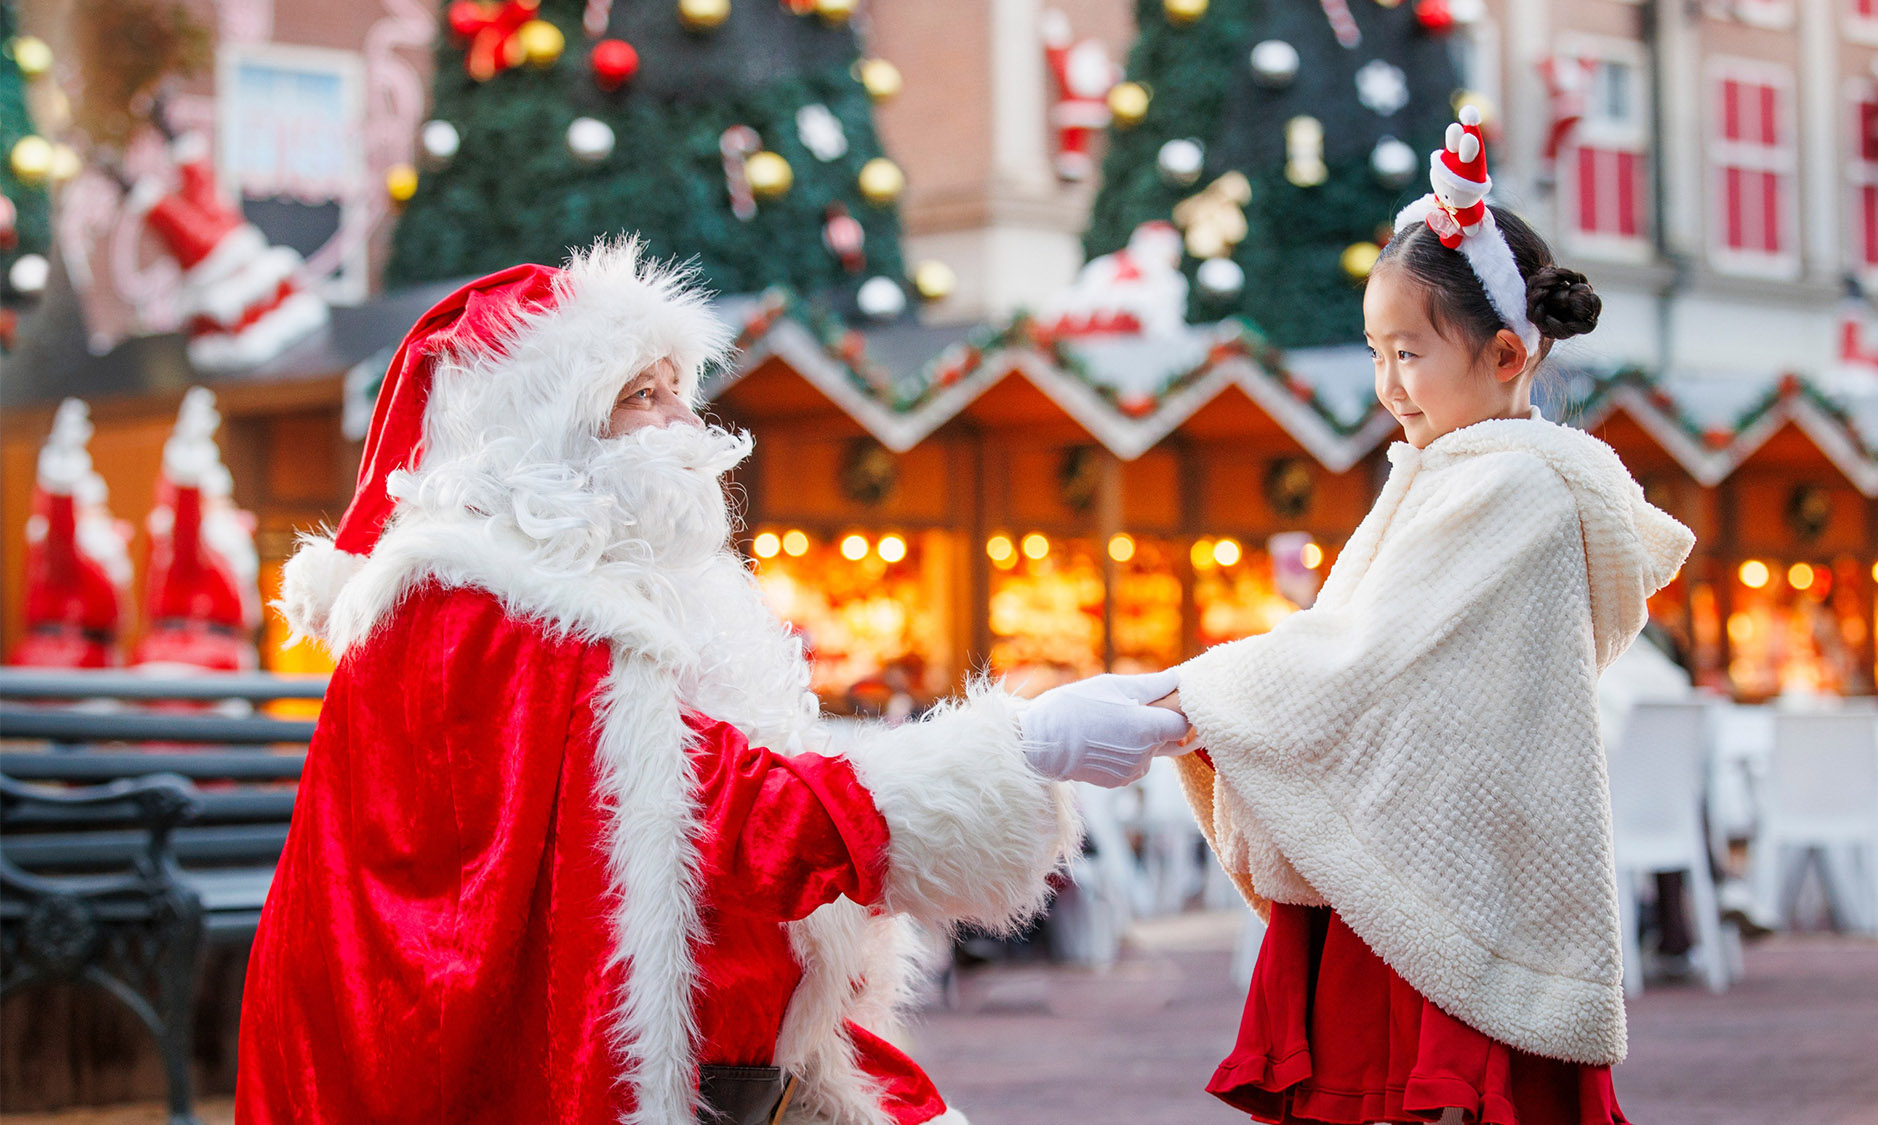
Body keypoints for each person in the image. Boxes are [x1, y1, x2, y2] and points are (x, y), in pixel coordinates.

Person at [237, 239, 1187, 1125]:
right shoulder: (483, 606)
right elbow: (717, 804)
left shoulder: (608, 589)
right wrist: (1021, 747)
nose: (687, 424)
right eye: (641, 396)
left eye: (678, 389)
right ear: (538, 429)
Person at [1162, 108, 1695, 1124]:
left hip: (1433, 882)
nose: (1387, 387)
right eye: (1376, 354)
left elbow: (1369, 662)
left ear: (1503, 355)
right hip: (1414, 863)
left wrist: (1199, 691)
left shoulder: (1512, 492)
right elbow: (1385, 662)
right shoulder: (1456, 478)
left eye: (1408, 354)